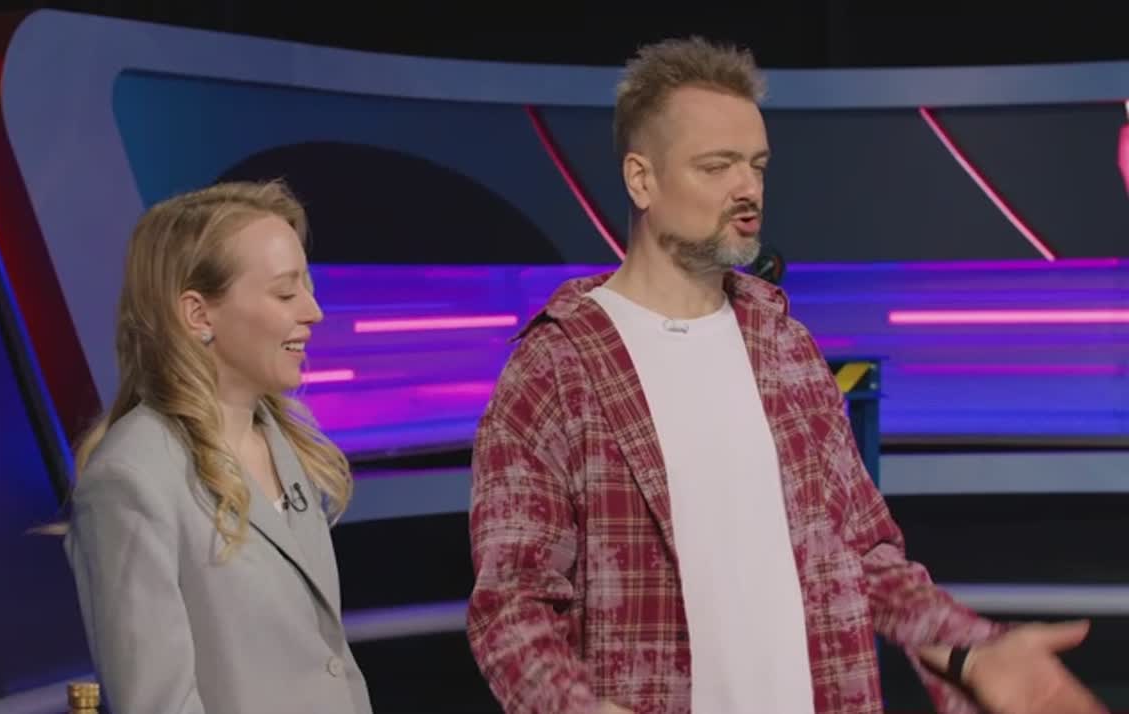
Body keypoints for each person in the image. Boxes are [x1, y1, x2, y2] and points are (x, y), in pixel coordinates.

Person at [465, 37, 1107, 714]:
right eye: (717, 166)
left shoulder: (785, 347)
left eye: (757, 166)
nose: (748, 189)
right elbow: (512, 604)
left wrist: (973, 651)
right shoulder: (556, 367)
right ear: (641, 180)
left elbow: (867, 556)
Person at [61, 180, 373, 713]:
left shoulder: (289, 446)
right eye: (285, 293)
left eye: (308, 286)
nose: (313, 311)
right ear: (198, 315)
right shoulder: (130, 480)